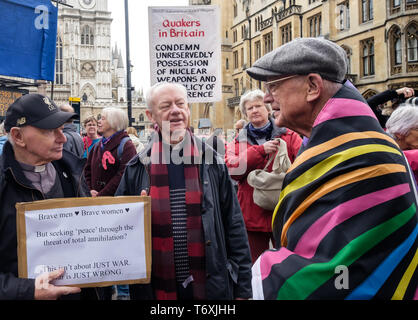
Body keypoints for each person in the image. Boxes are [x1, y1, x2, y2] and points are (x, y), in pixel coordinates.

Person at [246, 37, 417, 300]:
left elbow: (341, 273)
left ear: (313, 86)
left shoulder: (365, 153)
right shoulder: (336, 145)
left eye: (274, 86)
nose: (268, 97)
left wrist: (263, 276)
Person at [115, 82, 252, 300]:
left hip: (209, 288)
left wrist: (243, 289)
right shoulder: (137, 167)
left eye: (181, 103)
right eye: (166, 106)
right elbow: (119, 232)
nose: (176, 110)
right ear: (151, 115)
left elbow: (234, 225)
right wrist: (136, 217)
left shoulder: (212, 162)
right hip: (157, 288)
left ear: (188, 109)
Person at [0, 93, 110, 299]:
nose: (62, 138)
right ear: (18, 136)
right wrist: (27, 291)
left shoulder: (75, 177)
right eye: (50, 131)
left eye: (61, 129)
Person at [225, 90, 302, 262]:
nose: (254, 110)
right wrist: (259, 151)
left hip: (284, 210)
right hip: (252, 215)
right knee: (254, 265)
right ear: (245, 114)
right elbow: (232, 170)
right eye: (250, 108)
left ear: (267, 109)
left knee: (287, 261)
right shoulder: (238, 141)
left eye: (258, 106)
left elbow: (304, 162)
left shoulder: (288, 135)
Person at [84, 107, 136, 197]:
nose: (98, 121)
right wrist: (89, 190)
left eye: (103, 119)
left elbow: (123, 176)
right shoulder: (97, 145)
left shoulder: (127, 146)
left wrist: (101, 195)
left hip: (115, 206)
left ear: (114, 122)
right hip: (95, 204)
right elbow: (87, 171)